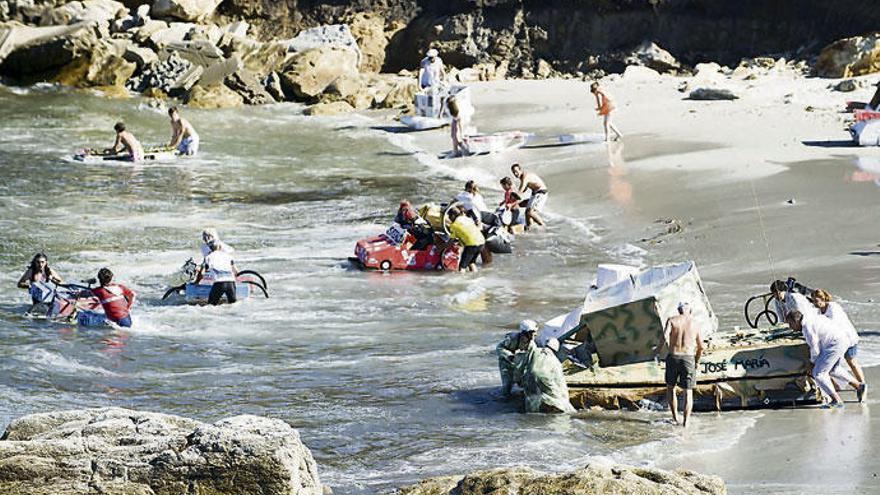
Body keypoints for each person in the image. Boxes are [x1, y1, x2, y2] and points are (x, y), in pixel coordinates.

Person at [786, 310, 858, 409]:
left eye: (790, 324)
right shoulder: (810, 316)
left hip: (834, 344)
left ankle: (836, 400)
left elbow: (815, 349)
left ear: (795, 321)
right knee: (833, 369)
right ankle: (859, 386)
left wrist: (811, 364)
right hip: (842, 339)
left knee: (818, 374)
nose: (790, 327)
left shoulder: (807, 327)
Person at [811, 289, 867, 402]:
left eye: (817, 301)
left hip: (848, 337)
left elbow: (833, 323)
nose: (815, 304)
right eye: (813, 301)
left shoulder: (833, 307)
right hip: (837, 341)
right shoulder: (819, 311)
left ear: (823, 299)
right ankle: (843, 386)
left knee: (852, 362)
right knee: (833, 366)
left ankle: (862, 385)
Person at [658, 302, 704, 427]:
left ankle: (675, 418)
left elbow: (664, 336)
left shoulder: (672, 320)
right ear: (690, 310)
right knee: (688, 392)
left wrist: (657, 351)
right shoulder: (695, 323)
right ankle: (686, 422)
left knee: (670, 388)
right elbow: (701, 347)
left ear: (679, 310)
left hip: (673, 357)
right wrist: (697, 361)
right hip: (688, 358)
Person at [522, 337, 576, 413]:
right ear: (555, 349)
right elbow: (560, 381)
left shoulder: (536, 351)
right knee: (558, 399)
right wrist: (565, 399)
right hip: (544, 378)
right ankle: (566, 412)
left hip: (530, 376)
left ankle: (530, 412)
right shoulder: (555, 361)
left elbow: (525, 363)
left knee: (531, 396)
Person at [496, 320, 539, 397]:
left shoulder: (532, 345)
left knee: (523, 383)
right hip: (506, 363)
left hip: (519, 365)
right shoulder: (512, 338)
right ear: (525, 332)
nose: (535, 334)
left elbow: (532, 359)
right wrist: (509, 356)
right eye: (533, 332)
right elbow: (499, 348)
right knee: (507, 387)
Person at [195, 240, 238, 305]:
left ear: (210, 248)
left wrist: (197, 282)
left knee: (211, 306)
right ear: (220, 247)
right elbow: (236, 272)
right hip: (231, 283)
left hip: (219, 283)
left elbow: (202, 273)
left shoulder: (208, 257)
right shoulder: (229, 256)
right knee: (233, 305)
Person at [447, 206, 485, 272]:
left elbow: (451, 241)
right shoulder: (466, 218)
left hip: (472, 244)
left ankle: (462, 281)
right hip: (482, 242)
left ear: (453, 215)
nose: (449, 218)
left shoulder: (454, 225)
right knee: (471, 262)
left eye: (449, 216)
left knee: (462, 267)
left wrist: (442, 247)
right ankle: (476, 279)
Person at [511, 163, 548, 229]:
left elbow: (521, 189)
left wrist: (513, 201)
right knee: (527, 213)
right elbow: (524, 189)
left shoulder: (525, 176)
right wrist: (517, 202)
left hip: (541, 193)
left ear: (520, 170)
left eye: (516, 172)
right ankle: (529, 228)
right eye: (513, 172)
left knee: (530, 212)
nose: (515, 174)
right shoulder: (522, 178)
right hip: (534, 194)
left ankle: (543, 226)